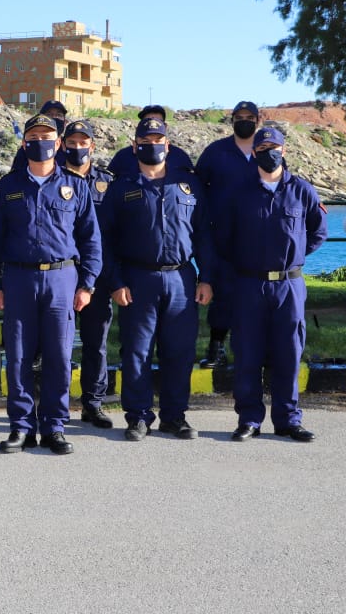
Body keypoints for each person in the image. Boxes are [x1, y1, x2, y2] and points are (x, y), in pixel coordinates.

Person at [0, 114, 102, 455]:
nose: (41, 142)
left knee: (59, 356)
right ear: (25, 143)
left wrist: (88, 284)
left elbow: (91, 240)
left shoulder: (75, 186)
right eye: (33, 136)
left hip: (62, 278)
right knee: (18, 355)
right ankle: (21, 426)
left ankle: (54, 426)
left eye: (47, 136)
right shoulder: (8, 186)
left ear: (58, 143)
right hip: (19, 277)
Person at [98, 118, 213, 442]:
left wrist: (207, 278)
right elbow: (105, 239)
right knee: (137, 352)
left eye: (158, 139)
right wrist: (116, 282)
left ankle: (174, 417)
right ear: (135, 146)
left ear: (168, 145)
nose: (152, 145)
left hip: (181, 279)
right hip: (137, 279)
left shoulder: (188, 186)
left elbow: (203, 234)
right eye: (145, 140)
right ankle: (137, 416)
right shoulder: (122, 187)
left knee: (179, 351)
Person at [216, 126, 327, 442]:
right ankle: (249, 419)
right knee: (248, 353)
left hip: (289, 287)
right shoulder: (239, 192)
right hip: (249, 285)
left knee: (288, 353)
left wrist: (292, 257)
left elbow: (318, 231)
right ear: (254, 152)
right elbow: (224, 238)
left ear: (284, 150)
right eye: (262, 147)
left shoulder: (302, 190)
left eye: (274, 147)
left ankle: (288, 420)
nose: (268, 152)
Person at [194, 100, 265, 368]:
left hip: (258, 238)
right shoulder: (216, 152)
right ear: (232, 120)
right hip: (221, 236)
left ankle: (258, 349)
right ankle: (217, 347)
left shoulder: (266, 148)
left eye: (249, 116)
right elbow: (197, 188)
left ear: (258, 120)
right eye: (239, 116)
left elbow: (286, 180)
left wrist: (311, 198)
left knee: (257, 295)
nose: (244, 120)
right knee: (222, 293)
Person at [59, 120, 117, 428]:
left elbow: (114, 233)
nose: (78, 148)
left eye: (84, 143)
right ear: (63, 145)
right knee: (59, 343)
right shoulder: (54, 179)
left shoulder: (107, 182)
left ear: (92, 146)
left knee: (96, 343)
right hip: (63, 274)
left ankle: (93, 404)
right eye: (73, 142)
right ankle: (59, 404)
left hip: (98, 277)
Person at [107, 104, 194, 177]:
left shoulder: (179, 156)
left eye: (158, 122)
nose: (152, 125)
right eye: (147, 121)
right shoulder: (123, 157)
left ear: (165, 126)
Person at [9, 100, 72, 171]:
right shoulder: (29, 146)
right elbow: (16, 176)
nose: (54, 118)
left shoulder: (71, 146)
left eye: (59, 115)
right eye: (49, 115)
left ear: (65, 122)